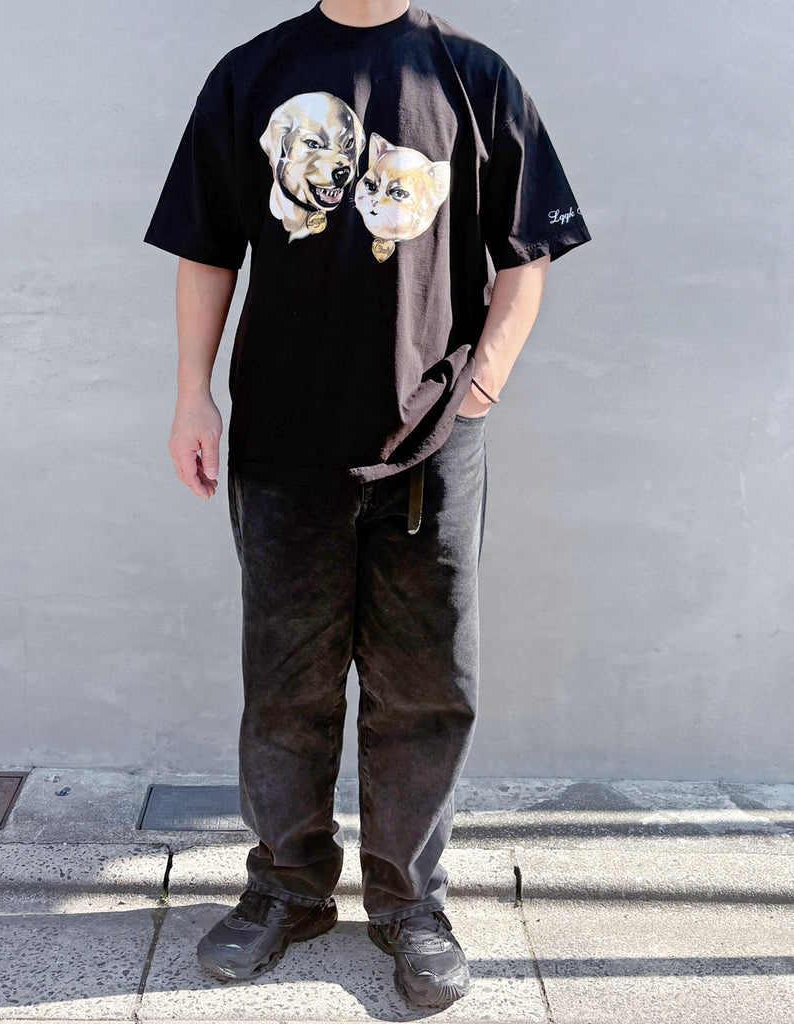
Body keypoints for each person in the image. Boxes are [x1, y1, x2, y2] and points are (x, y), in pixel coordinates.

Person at [144, 0, 589, 1008]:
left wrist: (479, 387)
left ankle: (410, 904)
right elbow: (206, 246)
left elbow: (526, 254)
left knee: (425, 688)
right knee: (285, 687)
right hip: (282, 444)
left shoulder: (472, 77)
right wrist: (190, 394)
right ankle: (287, 887)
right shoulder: (250, 74)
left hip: (431, 449)